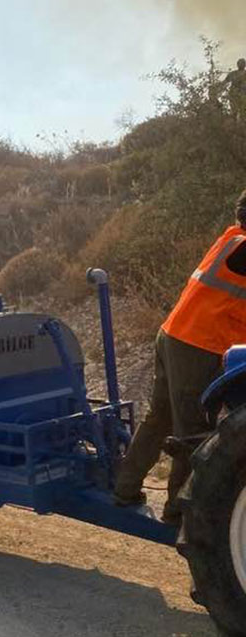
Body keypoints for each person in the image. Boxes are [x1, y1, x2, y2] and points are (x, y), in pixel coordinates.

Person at [113, 191, 246, 524]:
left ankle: (125, 487)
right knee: (194, 431)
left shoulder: (232, 239)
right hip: (197, 346)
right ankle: (177, 512)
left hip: (173, 334)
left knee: (160, 416)